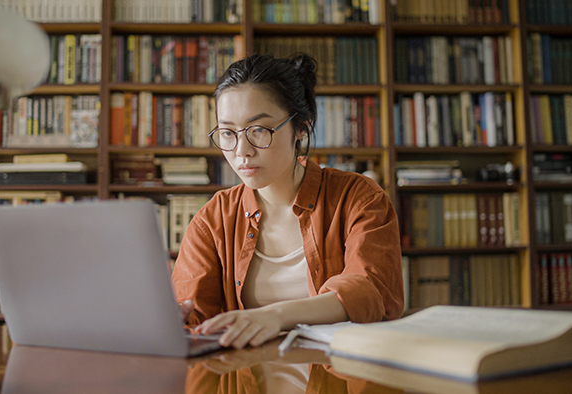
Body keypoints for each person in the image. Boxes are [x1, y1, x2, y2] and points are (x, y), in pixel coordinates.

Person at [171, 53, 403, 352]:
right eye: (228, 133)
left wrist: (276, 316)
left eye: (258, 130)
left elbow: (373, 290)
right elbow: (195, 315)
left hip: (338, 378)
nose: (242, 151)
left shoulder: (359, 198)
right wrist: (175, 321)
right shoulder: (212, 220)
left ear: (301, 129)